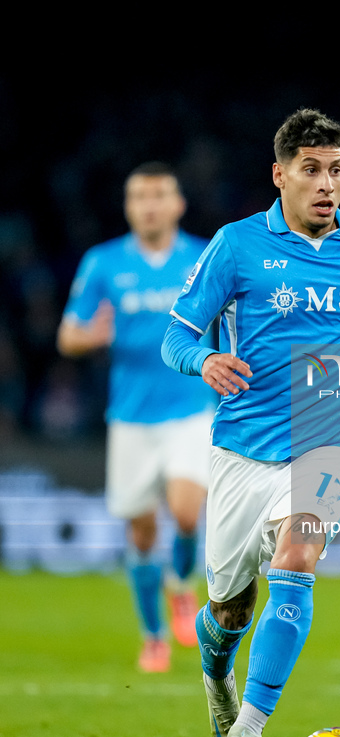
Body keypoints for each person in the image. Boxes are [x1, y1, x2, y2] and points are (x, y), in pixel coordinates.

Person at [161, 109, 340, 737]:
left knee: (299, 554)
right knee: (229, 611)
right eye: (310, 169)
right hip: (243, 447)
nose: (326, 183)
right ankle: (216, 670)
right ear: (279, 176)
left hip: (330, 433)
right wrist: (204, 360)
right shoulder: (237, 246)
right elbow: (176, 338)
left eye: (335, 169)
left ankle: (245, 735)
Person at [57, 162, 216, 673]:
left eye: (158, 195)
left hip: (191, 406)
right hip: (130, 416)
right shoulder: (103, 263)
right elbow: (68, 335)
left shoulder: (204, 257)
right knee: (143, 532)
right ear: (129, 207)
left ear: (177, 204)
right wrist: (93, 336)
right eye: (139, 197)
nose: (149, 204)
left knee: (188, 511)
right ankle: (153, 638)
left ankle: (182, 586)